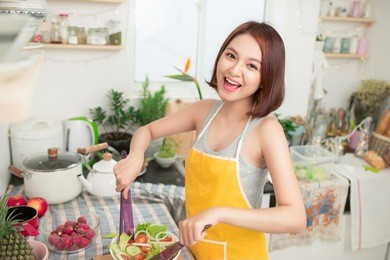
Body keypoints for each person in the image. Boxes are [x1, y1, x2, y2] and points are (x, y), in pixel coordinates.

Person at [114, 21, 306, 260]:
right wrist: (135, 156)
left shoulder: (267, 130)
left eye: (251, 65)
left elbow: (296, 218)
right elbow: (147, 131)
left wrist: (220, 213)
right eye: (231, 55)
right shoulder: (204, 112)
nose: (234, 70)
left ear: (266, 78)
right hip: (196, 252)